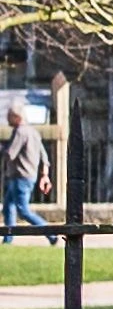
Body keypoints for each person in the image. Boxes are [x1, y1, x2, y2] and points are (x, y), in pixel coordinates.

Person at [1, 104, 48, 243]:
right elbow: (44, 157)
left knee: (23, 211)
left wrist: (2, 149)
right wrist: (45, 175)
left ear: (17, 117)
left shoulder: (20, 132)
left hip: (20, 176)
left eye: (9, 116)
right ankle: (8, 238)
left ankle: (51, 234)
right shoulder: (34, 132)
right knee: (8, 206)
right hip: (29, 176)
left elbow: (10, 154)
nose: (7, 119)